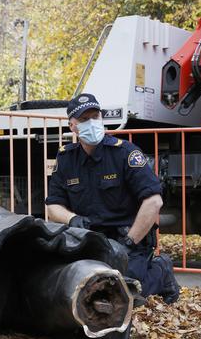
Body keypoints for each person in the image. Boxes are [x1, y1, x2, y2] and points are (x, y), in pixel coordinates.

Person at [46, 93, 180, 304]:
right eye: (83, 119)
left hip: (127, 241)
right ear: (72, 126)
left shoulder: (125, 153)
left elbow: (154, 201)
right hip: (89, 242)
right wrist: (72, 219)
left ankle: (160, 271)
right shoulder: (66, 159)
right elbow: (53, 206)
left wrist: (129, 242)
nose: (92, 123)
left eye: (95, 116)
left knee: (123, 293)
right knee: (69, 287)